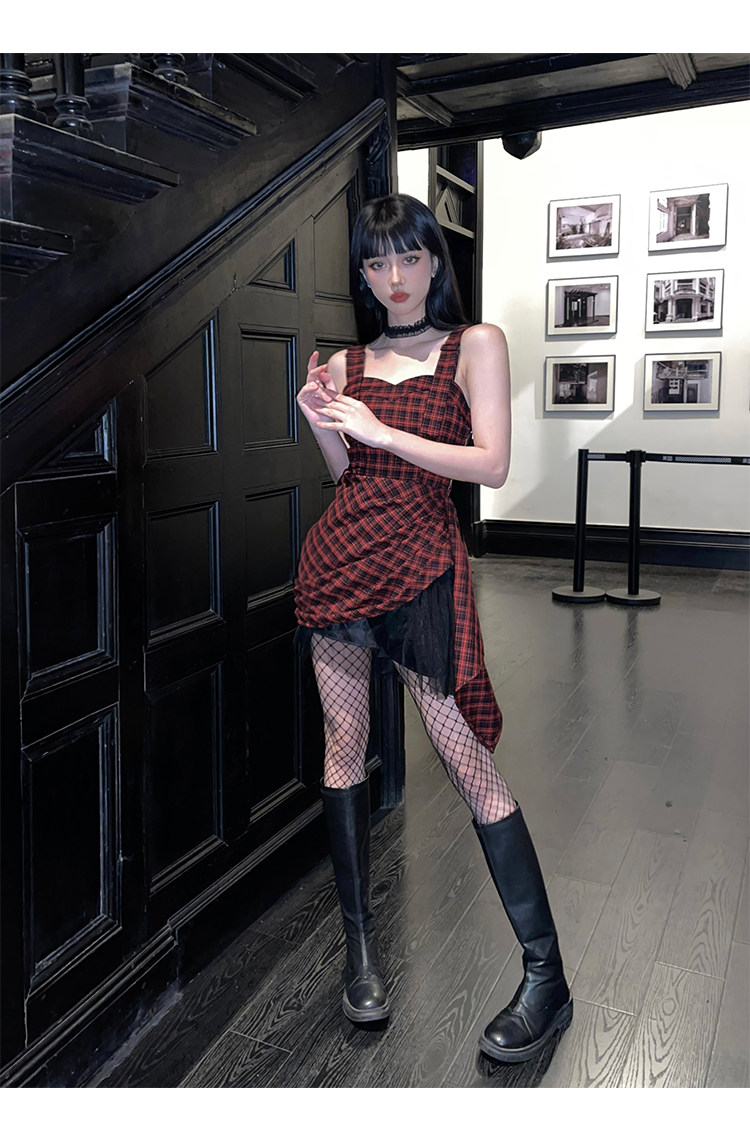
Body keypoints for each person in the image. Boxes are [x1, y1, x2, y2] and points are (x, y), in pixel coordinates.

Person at [293, 193, 572, 1064]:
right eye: (377, 262)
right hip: (340, 562)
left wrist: (379, 427)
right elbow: (347, 474)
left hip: (423, 563)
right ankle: (360, 956)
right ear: (363, 273)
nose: (395, 278)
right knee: (345, 747)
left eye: (409, 257)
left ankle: (547, 976)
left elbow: (491, 464)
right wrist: (322, 421)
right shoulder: (346, 360)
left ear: (433, 261)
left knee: (467, 763)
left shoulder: (473, 343)